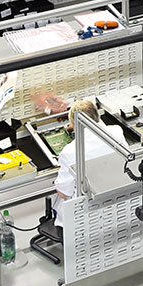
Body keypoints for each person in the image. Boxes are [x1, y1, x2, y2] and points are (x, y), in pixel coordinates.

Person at [53, 99, 122, 230]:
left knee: (59, 199)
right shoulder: (117, 132)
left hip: (84, 218)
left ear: (73, 125)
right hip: (115, 207)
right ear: (99, 116)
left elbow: (63, 193)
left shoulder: (70, 151)